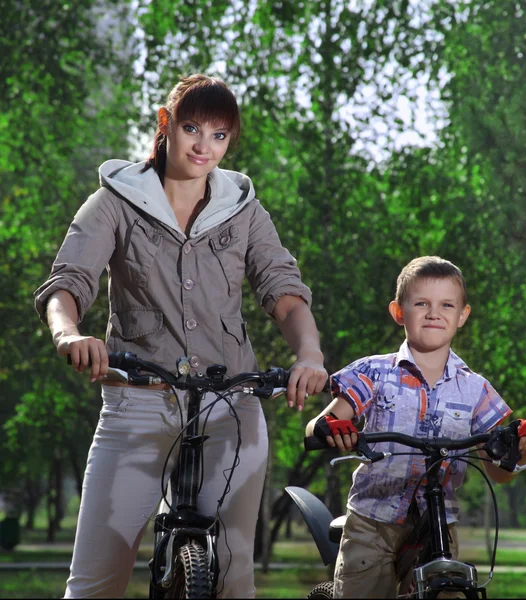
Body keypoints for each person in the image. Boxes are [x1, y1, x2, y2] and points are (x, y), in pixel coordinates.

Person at [34, 74, 328, 599]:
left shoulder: (244, 211)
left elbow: (282, 290)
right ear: (165, 124)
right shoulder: (114, 203)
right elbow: (68, 283)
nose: (204, 146)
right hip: (138, 405)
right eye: (193, 128)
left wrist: (309, 353)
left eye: (219, 135)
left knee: (233, 577)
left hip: (230, 405)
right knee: (96, 581)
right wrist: (69, 332)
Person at [305, 256, 526, 599]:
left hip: (439, 522)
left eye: (447, 304)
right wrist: (331, 427)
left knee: (448, 591)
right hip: (374, 519)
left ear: (462, 315)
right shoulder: (374, 373)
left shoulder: (476, 389)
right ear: (399, 312)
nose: (434, 313)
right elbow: (320, 424)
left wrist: (517, 452)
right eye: (422, 303)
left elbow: (498, 471)